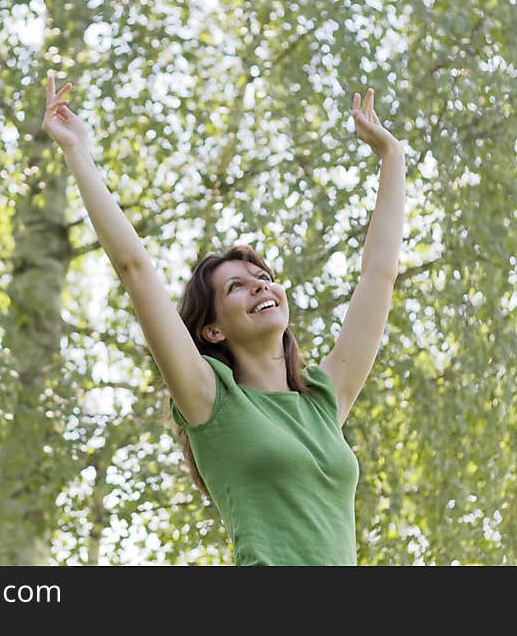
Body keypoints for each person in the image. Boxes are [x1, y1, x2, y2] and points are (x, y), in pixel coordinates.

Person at [42, 69, 405, 565]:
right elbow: (135, 269)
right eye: (237, 285)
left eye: (263, 274)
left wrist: (392, 156)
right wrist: (76, 152)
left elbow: (379, 275)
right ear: (212, 329)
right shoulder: (211, 399)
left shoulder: (324, 399)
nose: (260, 283)